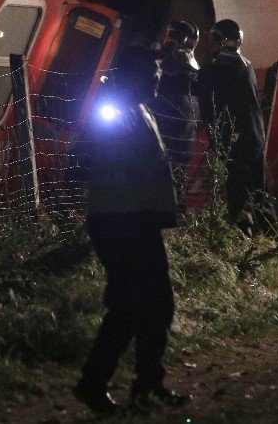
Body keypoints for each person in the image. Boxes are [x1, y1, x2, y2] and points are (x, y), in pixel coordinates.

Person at [72, 46, 191, 415]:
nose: (158, 78)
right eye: (152, 73)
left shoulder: (136, 109)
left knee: (151, 304)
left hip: (134, 220)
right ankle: (101, 383)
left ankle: (143, 384)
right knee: (133, 305)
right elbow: (104, 163)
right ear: (133, 75)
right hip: (122, 222)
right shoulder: (116, 112)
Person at [195, 19, 277, 229]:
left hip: (236, 139)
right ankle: (267, 235)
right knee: (259, 188)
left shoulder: (223, 66)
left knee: (238, 190)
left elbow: (198, 84)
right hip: (253, 134)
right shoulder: (243, 63)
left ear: (217, 40)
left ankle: (244, 234)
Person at [149, 20, 200, 210]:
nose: (167, 38)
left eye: (171, 35)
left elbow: (165, 67)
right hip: (182, 135)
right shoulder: (190, 63)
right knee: (174, 184)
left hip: (171, 133)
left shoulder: (180, 59)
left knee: (167, 184)